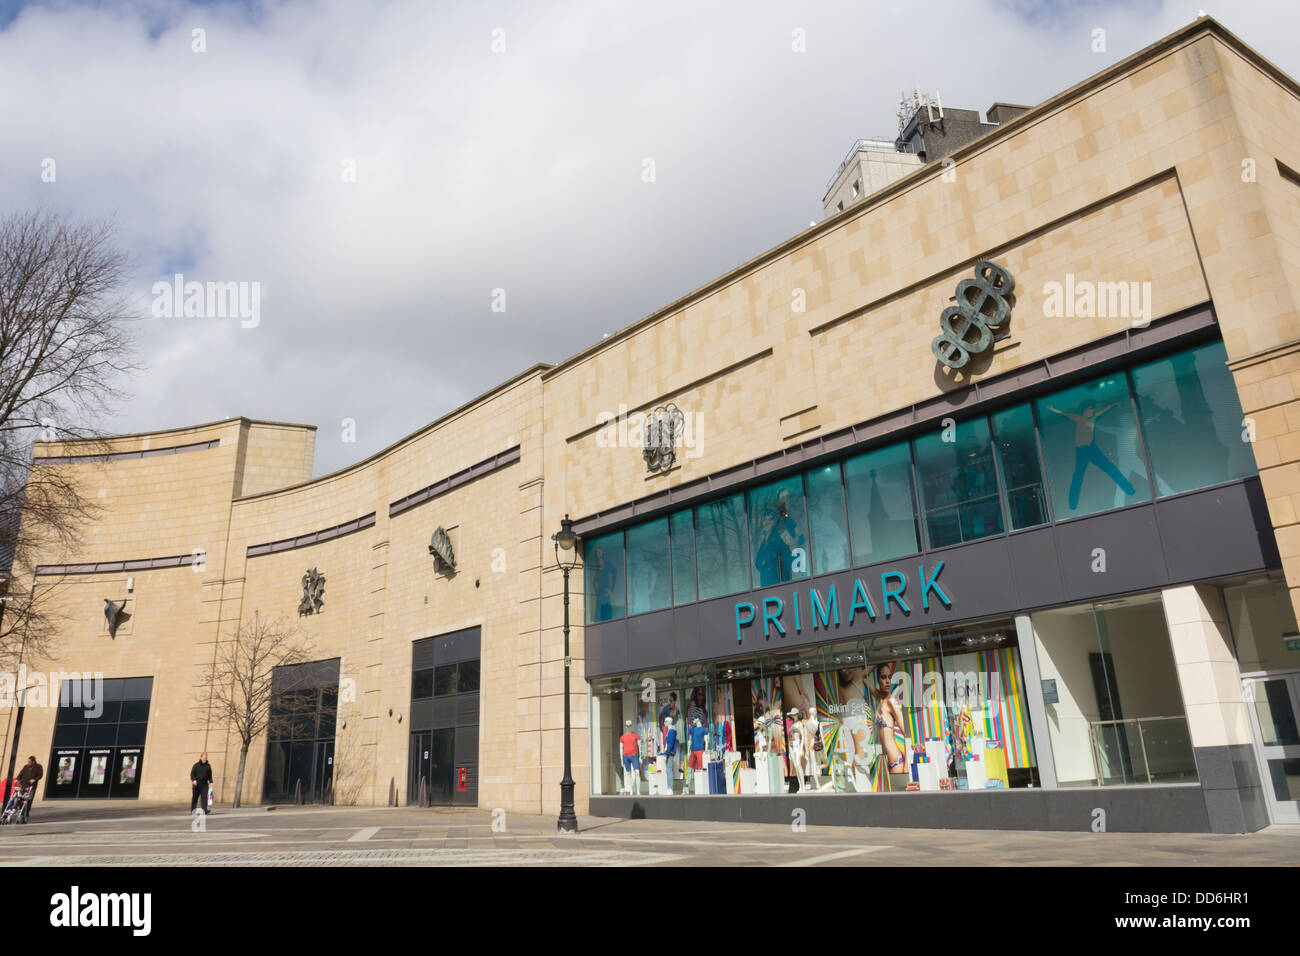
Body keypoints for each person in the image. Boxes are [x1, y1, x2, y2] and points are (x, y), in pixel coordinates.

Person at [1046, 401, 1136, 510]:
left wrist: (1114, 405)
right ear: (1086, 409)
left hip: (1092, 449)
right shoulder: (1078, 418)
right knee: (1078, 476)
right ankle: (1072, 503)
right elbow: (1063, 413)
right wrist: (1052, 409)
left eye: (1093, 410)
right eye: (1091, 409)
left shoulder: (1093, 419)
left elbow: (1104, 411)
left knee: (1109, 468)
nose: (1093, 411)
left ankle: (1128, 489)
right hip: (1082, 451)